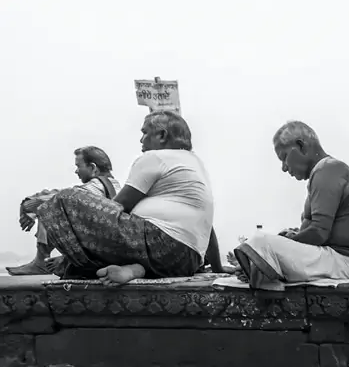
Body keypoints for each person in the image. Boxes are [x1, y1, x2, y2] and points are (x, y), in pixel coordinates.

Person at [35, 110, 216, 284]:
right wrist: (217, 267)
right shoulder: (195, 164)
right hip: (185, 262)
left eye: (145, 133)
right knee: (79, 263)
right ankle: (136, 269)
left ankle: (62, 261)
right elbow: (208, 228)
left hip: (158, 244)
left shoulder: (156, 157)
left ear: (161, 135)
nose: (141, 139)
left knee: (66, 198)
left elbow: (118, 207)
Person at [233, 121, 349, 289]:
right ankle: (260, 267)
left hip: (345, 262)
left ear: (301, 146)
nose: (284, 168)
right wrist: (295, 235)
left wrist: (291, 241)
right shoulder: (326, 170)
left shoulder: (327, 170)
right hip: (339, 259)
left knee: (261, 241)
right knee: (266, 246)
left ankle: (262, 271)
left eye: (284, 157)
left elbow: (320, 233)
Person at [7, 147, 122, 276]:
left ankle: (41, 262)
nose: (76, 171)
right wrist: (31, 210)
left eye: (79, 166)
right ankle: (48, 262)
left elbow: (62, 198)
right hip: (107, 247)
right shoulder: (115, 186)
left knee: (53, 207)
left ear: (93, 168)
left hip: (98, 250)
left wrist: (26, 206)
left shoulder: (96, 186)